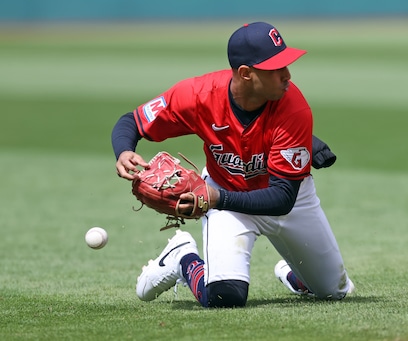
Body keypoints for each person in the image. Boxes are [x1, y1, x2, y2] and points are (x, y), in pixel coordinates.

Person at [112, 21, 354, 308]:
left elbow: (282, 199)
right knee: (224, 298)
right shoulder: (198, 95)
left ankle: (296, 274)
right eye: (276, 68)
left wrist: (216, 199)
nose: (287, 75)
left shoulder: (293, 107)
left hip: (287, 198)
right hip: (227, 200)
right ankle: (183, 257)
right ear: (246, 73)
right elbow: (133, 122)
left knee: (333, 292)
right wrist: (124, 151)